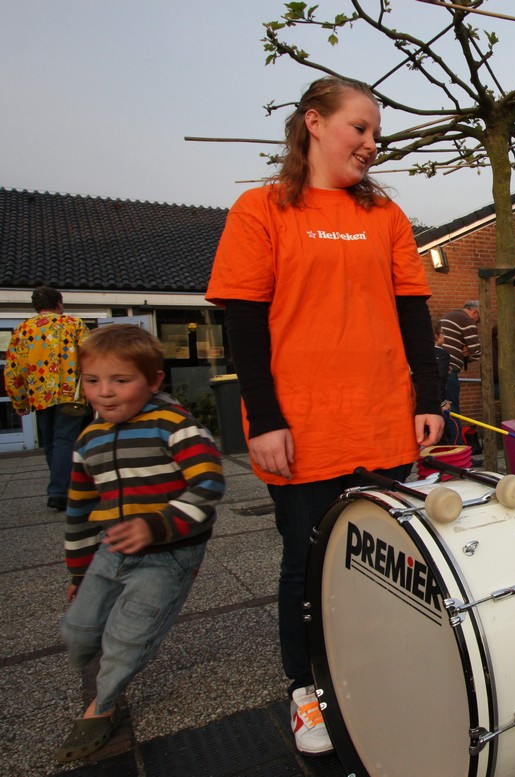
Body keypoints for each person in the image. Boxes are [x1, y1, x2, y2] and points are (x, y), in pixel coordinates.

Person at [205, 76, 443, 756]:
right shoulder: (260, 209)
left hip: (383, 423)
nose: (371, 143)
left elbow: (412, 314)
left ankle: (375, 674)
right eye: (359, 128)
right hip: (303, 429)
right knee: (306, 565)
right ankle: (306, 687)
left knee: (383, 559)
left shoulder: (386, 216)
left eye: (376, 133)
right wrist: (265, 418)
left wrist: (428, 400)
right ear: (314, 122)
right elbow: (244, 324)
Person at [58, 325, 224, 763]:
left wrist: (157, 526)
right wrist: (78, 569)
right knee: (76, 631)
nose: (105, 392)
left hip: (169, 553)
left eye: (120, 380)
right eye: (92, 381)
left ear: (153, 381)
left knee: (127, 639)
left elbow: (208, 484)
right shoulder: (88, 439)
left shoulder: (174, 426)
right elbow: (79, 508)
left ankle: (103, 705)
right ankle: (107, 662)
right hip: (112, 548)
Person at [4, 285, 90, 510]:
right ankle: (60, 491)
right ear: (59, 303)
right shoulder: (74, 325)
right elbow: (91, 356)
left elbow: (13, 369)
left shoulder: (22, 330)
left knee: (51, 442)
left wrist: (19, 400)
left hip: (40, 395)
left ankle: (60, 489)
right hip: (70, 394)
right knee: (65, 440)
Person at [439, 300, 481, 414]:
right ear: (475, 312)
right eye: (478, 320)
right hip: (450, 368)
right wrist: (465, 357)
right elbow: (476, 352)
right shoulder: (466, 320)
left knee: (441, 407)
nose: (476, 323)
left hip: (437, 366)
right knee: (452, 409)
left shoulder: (448, 316)